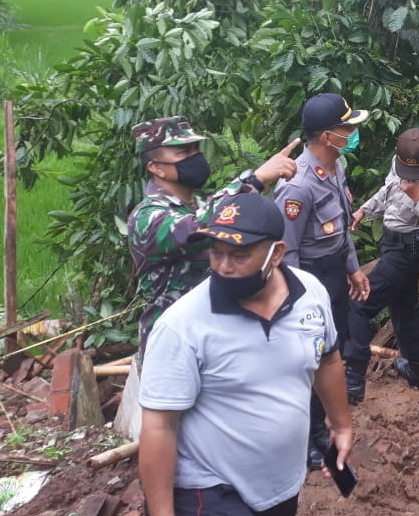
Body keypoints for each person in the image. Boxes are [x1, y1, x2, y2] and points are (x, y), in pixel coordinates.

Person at [138, 193, 353, 516]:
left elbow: (328, 359)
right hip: (210, 489)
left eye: (239, 256)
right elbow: (159, 426)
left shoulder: (311, 295)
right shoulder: (182, 326)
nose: (224, 267)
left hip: (281, 485)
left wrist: (341, 425)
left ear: (277, 253)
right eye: (216, 253)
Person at [128, 116, 299, 362]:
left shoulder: (200, 205)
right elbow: (195, 229)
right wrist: (254, 181)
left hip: (216, 340)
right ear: (155, 166)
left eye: (196, 149)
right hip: (171, 349)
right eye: (183, 152)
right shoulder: (146, 217)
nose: (194, 157)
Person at [272, 93, 370, 470]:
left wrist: (353, 268)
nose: (354, 132)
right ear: (328, 136)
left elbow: (341, 229)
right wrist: (299, 301)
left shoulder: (336, 168)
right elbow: (287, 251)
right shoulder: (297, 186)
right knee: (307, 359)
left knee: (331, 352)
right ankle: (307, 436)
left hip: (332, 274)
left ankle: (320, 427)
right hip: (307, 278)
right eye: (348, 128)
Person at [345, 128, 419, 403]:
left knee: (360, 303)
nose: (408, 176)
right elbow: (387, 191)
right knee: (404, 306)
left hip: (410, 249)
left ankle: (352, 381)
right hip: (391, 241)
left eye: (415, 171)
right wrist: (363, 210)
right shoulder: (399, 164)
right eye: (404, 170)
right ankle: (417, 371)